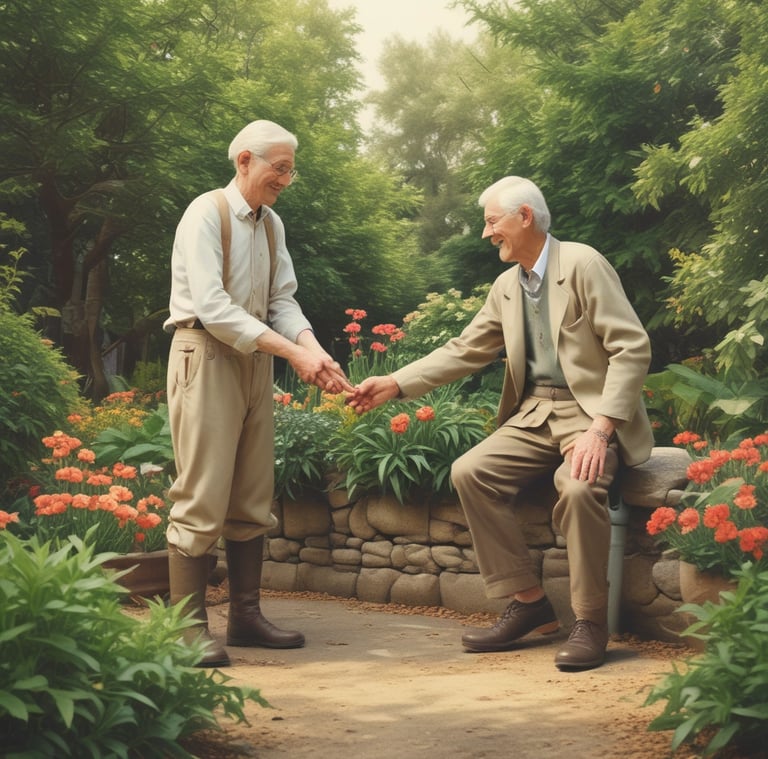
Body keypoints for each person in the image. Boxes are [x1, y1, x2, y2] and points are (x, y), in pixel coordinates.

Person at [347, 176, 653, 671]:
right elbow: (464, 350)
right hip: (534, 412)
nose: (488, 233)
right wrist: (395, 383)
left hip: (588, 413)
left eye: (493, 221)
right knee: (471, 471)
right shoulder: (507, 287)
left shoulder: (582, 263)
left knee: (577, 488)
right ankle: (529, 603)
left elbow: (631, 347)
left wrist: (602, 428)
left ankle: (591, 622)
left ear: (524, 217)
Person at [163, 119, 352, 667]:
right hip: (205, 354)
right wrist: (292, 353)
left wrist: (311, 348)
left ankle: (245, 616)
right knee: (201, 494)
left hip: (255, 362)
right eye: (280, 168)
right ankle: (185, 629)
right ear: (245, 160)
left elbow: (283, 301)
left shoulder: (272, 226)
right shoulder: (205, 213)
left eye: (291, 170)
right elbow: (214, 307)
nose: (287, 180)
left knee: (251, 494)